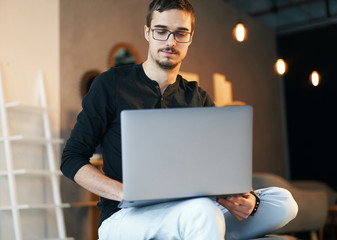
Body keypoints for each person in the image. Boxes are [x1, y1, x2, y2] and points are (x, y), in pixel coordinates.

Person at [60, 0, 298, 239]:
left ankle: (208, 229)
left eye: (181, 33)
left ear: (190, 37)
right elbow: (71, 159)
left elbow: (218, 166)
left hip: (192, 208)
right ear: (147, 33)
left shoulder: (198, 97)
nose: (171, 42)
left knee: (283, 202)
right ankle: (207, 227)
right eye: (161, 31)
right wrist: (125, 192)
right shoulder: (110, 84)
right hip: (127, 214)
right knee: (202, 212)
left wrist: (246, 198)